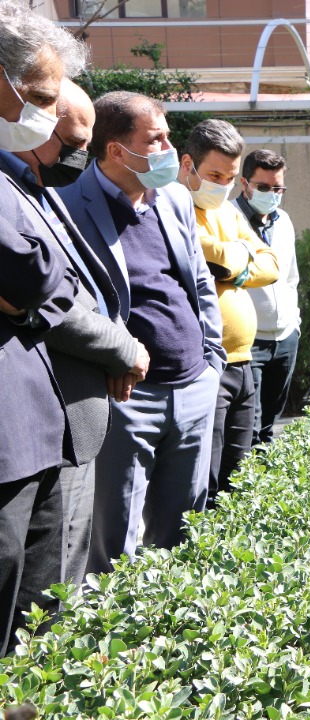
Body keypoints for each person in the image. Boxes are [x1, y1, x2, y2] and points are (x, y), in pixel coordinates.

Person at [56, 91, 226, 574]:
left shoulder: (173, 196)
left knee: (183, 530)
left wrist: (211, 360)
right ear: (116, 151)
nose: (171, 148)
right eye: (157, 139)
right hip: (128, 399)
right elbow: (70, 304)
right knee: (115, 538)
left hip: (194, 386)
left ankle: (170, 637)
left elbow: (197, 281)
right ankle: (121, 644)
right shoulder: (66, 207)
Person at [0, 78, 149, 588]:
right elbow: (43, 295)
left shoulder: (40, 185)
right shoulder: (10, 186)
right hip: (37, 420)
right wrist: (120, 347)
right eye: (74, 144)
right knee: (38, 598)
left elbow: (74, 284)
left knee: (58, 590)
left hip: (73, 417)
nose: (78, 157)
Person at [0, 0, 85, 654]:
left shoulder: (17, 176)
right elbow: (32, 277)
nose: (50, 118)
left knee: (34, 629)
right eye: (40, 98)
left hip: (33, 429)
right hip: (6, 441)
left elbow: (44, 277)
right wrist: (27, 289)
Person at [177, 120, 279, 506]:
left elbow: (269, 265)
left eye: (230, 177)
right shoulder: (174, 204)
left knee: (240, 471)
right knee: (207, 471)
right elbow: (203, 253)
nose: (222, 184)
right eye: (214, 174)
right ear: (188, 165)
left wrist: (231, 269)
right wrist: (236, 256)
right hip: (206, 363)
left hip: (243, 363)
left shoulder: (228, 212)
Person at [233, 149, 300, 446]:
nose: (272, 194)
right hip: (250, 341)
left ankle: (270, 484)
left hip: (285, 337)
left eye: (278, 188)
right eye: (263, 187)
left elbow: (290, 277)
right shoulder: (228, 219)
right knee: (250, 426)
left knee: (271, 423)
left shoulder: (283, 220)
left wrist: (294, 324)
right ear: (244, 183)